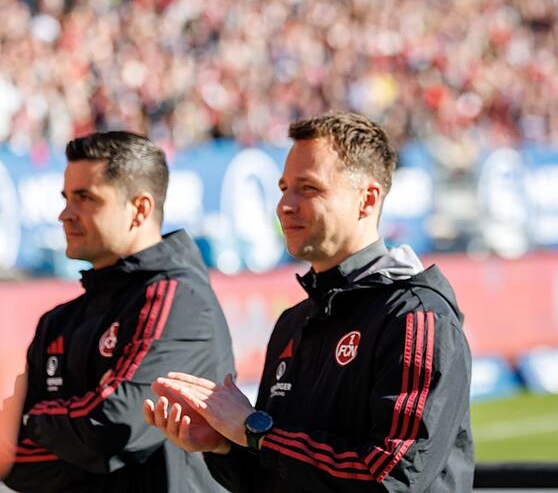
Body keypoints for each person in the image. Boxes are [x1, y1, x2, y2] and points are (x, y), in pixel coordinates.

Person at [144, 112, 474, 492]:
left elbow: (391, 478)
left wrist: (255, 432)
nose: (285, 204)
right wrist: (224, 445)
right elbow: (275, 476)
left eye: (309, 188)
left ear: (367, 200)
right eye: (284, 188)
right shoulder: (295, 321)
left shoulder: (417, 317)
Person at [1, 131, 235, 492]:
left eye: (85, 198)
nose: (65, 214)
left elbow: (113, 424)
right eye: (66, 198)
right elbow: (16, 459)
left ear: (140, 209)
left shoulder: (176, 297)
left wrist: (34, 419)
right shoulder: (59, 321)